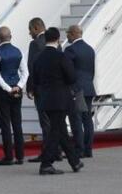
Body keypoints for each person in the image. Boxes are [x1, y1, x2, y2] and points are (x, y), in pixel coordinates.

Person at [28, 27, 83, 176]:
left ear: (45, 39)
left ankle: (74, 161)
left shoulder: (38, 57)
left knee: (60, 130)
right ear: (58, 39)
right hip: (61, 99)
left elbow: (35, 78)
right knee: (55, 131)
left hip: (45, 98)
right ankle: (46, 164)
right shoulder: (61, 56)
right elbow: (71, 77)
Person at [0, 26, 28, 166]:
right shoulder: (19, 51)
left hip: (2, 92)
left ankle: (8, 156)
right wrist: (18, 86)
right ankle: (20, 156)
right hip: (17, 90)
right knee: (17, 123)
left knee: (5, 124)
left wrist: (8, 89)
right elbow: (25, 72)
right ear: (10, 37)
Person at [65, 25, 96, 158]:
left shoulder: (70, 50)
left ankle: (79, 150)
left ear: (72, 34)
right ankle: (88, 149)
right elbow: (92, 71)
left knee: (76, 119)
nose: (66, 36)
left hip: (77, 89)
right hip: (89, 87)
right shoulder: (90, 49)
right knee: (87, 119)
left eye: (67, 33)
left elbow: (68, 71)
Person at [26, 17, 51, 163]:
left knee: (45, 122)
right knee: (54, 122)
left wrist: (30, 87)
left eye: (30, 30)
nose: (30, 33)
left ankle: (46, 153)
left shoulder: (35, 44)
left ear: (36, 28)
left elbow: (32, 67)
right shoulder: (54, 41)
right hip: (54, 88)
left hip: (41, 88)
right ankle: (56, 150)